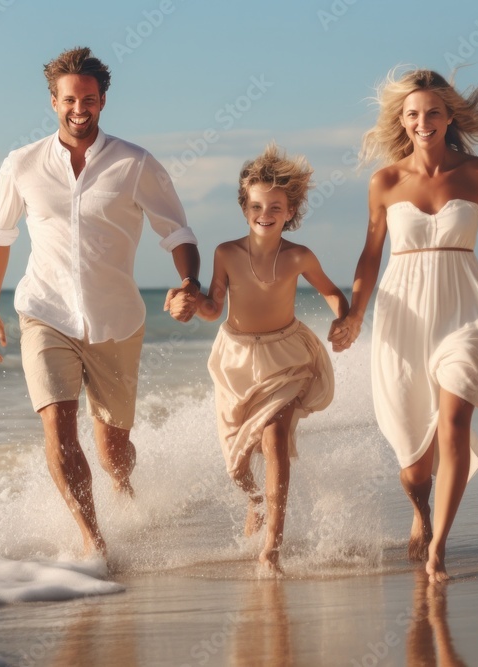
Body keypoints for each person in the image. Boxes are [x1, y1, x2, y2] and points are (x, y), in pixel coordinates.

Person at [331, 67, 478, 583]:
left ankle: (440, 548)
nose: (423, 121)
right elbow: (370, 255)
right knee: (414, 469)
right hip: (402, 315)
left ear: (449, 116)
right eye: (413, 114)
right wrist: (354, 315)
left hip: (464, 311)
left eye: (432, 111)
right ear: (402, 121)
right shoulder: (385, 181)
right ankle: (420, 511)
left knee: (454, 421)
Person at [0, 47, 201, 559]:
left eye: (89, 99)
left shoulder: (135, 163)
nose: (79, 109)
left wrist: (189, 281)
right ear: (53, 102)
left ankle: (125, 496)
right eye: (69, 99)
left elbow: (178, 232)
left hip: (116, 320)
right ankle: (93, 541)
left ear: (103, 100)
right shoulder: (22, 164)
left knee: (113, 449)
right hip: (45, 311)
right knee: (57, 422)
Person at [165, 143, 349, 572]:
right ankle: (256, 500)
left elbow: (332, 293)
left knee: (275, 436)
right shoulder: (226, 253)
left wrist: (343, 321)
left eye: (275, 206)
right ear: (244, 208)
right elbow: (214, 308)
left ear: (291, 211)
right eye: (256, 205)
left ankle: (272, 545)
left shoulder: (299, 256)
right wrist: (189, 302)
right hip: (236, 359)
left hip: (286, 355)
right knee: (238, 464)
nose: (264, 213)